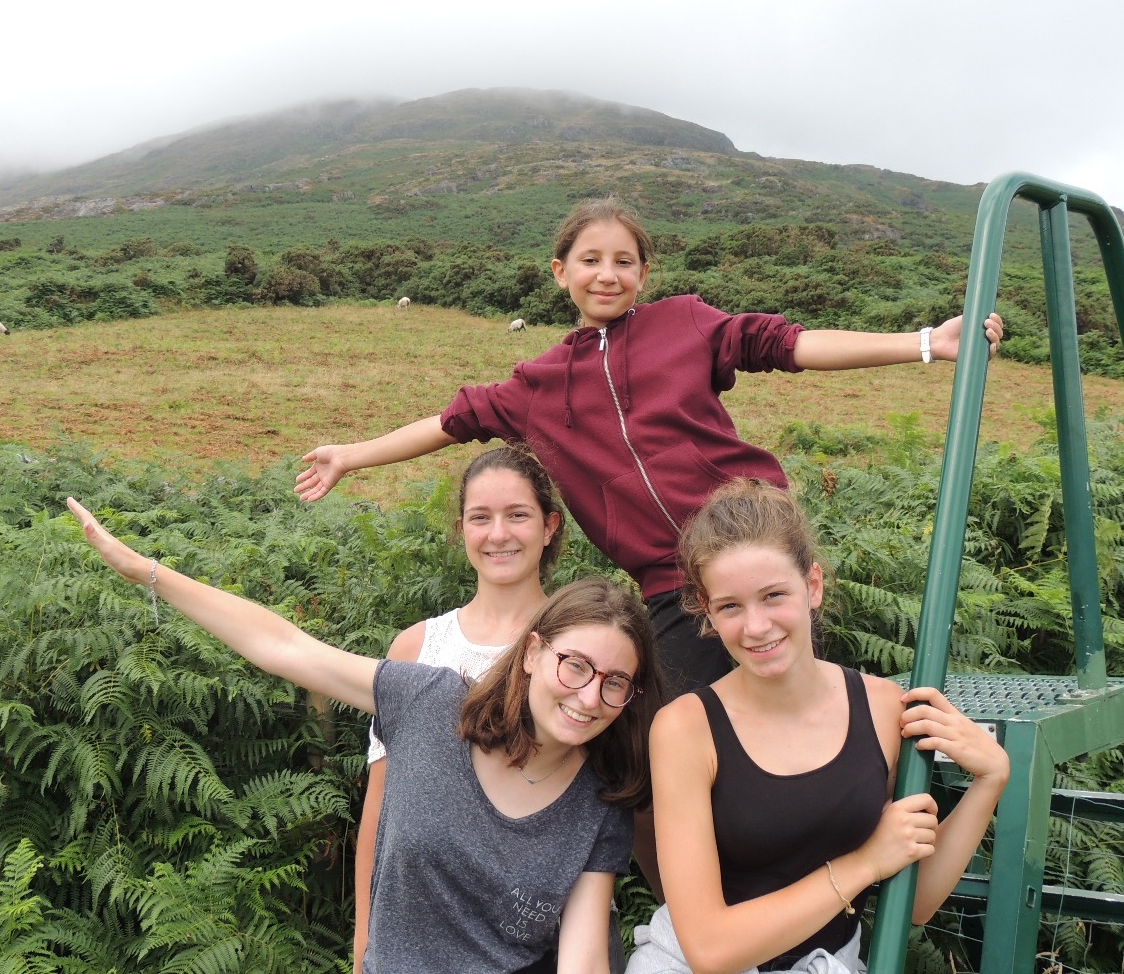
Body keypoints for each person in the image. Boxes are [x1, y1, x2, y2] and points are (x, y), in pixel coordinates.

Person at [295, 197, 1004, 701]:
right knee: (677, 741)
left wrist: (922, 344)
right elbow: (451, 421)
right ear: (559, 271)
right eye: (591, 260)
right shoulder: (537, 384)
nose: (608, 274)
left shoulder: (685, 324)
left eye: (625, 262)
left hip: (748, 546)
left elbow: (786, 345)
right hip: (668, 585)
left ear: (643, 274)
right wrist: (352, 455)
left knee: (783, 715)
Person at [66, 496, 664, 974]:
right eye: (576, 666)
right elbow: (284, 646)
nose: (589, 697)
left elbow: (582, 958)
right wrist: (143, 571)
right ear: (533, 653)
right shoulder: (430, 701)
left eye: (616, 683)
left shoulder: (600, 799)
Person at [626, 478, 1010, 974]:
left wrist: (990, 780)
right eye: (730, 607)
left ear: (813, 585)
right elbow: (710, 950)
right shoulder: (686, 729)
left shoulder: (884, 709)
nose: (757, 626)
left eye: (773, 595)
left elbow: (914, 905)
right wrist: (864, 864)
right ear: (707, 610)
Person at [353, 445, 564, 970]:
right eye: (480, 517)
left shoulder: (577, 648)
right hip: (417, 944)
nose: (498, 534)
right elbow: (381, 812)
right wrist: (363, 944)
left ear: (549, 526)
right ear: (460, 529)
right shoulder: (415, 649)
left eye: (518, 515)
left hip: (537, 941)